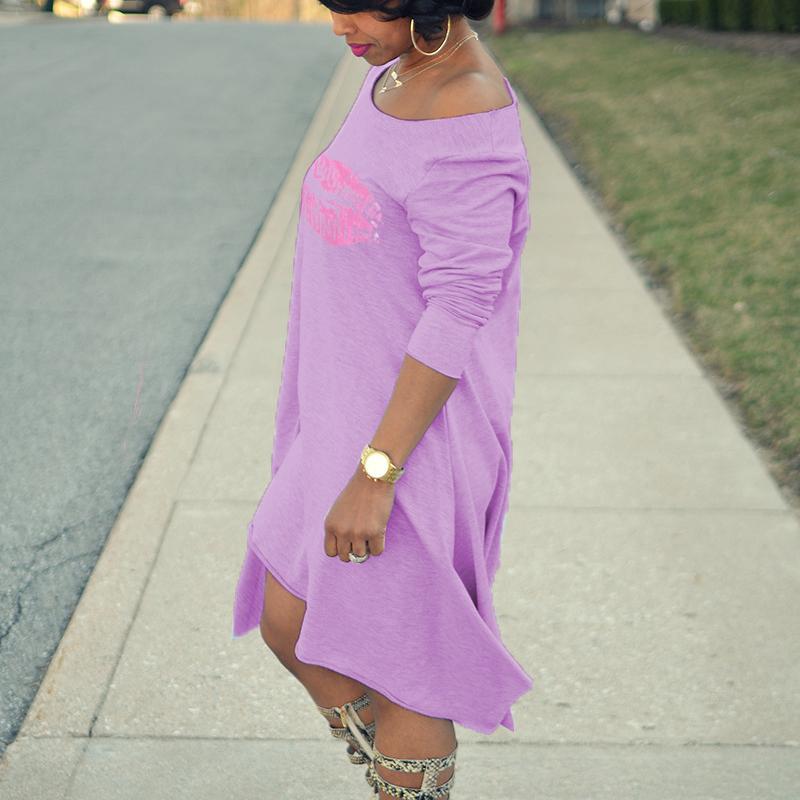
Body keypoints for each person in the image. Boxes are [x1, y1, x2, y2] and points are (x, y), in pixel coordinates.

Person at [232, 0, 535, 796]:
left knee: (404, 668)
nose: (342, 26)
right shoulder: (396, 75)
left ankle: (408, 774)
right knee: (288, 619)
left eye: (360, 6)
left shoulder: (464, 108)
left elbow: (460, 306)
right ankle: (395, 770)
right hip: (343, 416)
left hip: (410, 439)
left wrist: (377, 473)